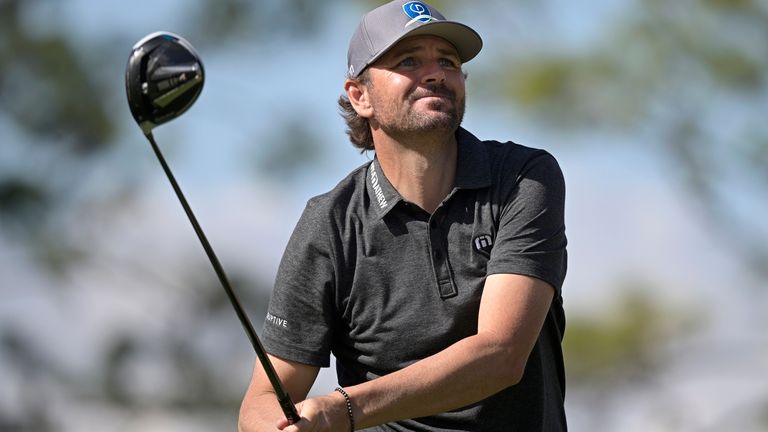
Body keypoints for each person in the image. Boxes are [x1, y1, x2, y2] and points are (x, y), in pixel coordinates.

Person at [238, 1, 568, 431]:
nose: (435, 73)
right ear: (360, 96)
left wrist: (340, 409)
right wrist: (276, 427)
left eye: (447, 61)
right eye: (409, 60)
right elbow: (263, 398)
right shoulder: (329, 225)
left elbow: (500, 355)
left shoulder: (523, 178)